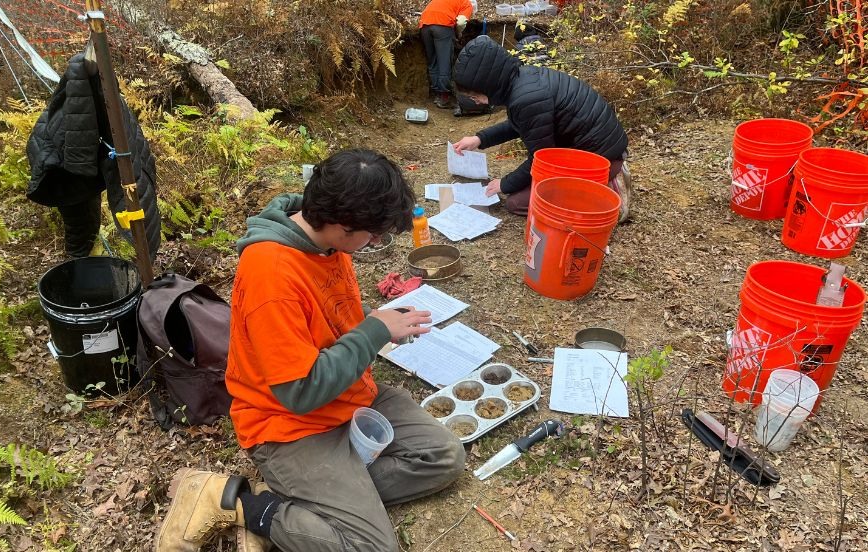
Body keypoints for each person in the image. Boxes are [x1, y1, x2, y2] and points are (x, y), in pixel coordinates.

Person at [154, 149, 467, 552]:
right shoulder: (272, 274)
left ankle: (327, 498)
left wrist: (380, 320)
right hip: (290, 425)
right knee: (368, 548)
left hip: (348, 395)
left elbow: (327, 319)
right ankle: (244, 506)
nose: (374, 243)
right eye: (372, 236)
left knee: (443, 458)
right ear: (341, 226)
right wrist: (373, 332)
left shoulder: (324, 243)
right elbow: (298, 391)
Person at [451, 35, 633, 221]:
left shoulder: (525, 99)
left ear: (487, 85)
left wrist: (504, 184)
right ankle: (605, 177)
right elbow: (520, 125)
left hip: (599, 160)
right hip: (596, 147)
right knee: (526, 191)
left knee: (517, 203)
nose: (475, 101)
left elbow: (542, 160)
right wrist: (479, 139)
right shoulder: (524, 79)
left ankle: (607, 188)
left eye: (475, 96)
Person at [419, 0, 475, 109]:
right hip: (443, 26)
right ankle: (444, 97)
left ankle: (437, 94)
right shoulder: (467, 3)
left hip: (425, 25)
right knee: (444, 62)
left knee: (433, 61)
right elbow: (461, 22)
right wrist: (458, 33)